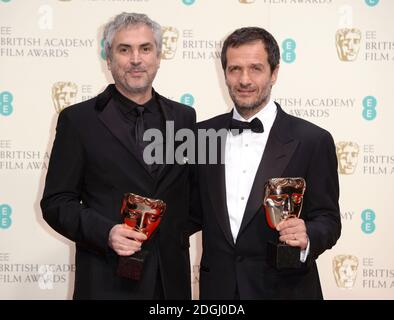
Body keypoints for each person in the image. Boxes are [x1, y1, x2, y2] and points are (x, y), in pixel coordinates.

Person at [41, 12, 196, 299]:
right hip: (105, 281)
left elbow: (193, 197)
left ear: (158, 57)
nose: (136, 59)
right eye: (124, 49)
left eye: (145, 49)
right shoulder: (78, 120)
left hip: (169, 284)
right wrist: (107, 232)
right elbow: (56, 202)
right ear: (109, 59)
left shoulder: (184, 117)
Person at [190, 27, 341, 299]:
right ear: (224, 73)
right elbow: (186, 213)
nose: (244, 79)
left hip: (286, 289)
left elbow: (328, 219)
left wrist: (308, 235)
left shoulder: (312, 140)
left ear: (274, 72)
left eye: (255, 68)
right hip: (219, 293)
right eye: (235, 69)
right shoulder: (201, 137)